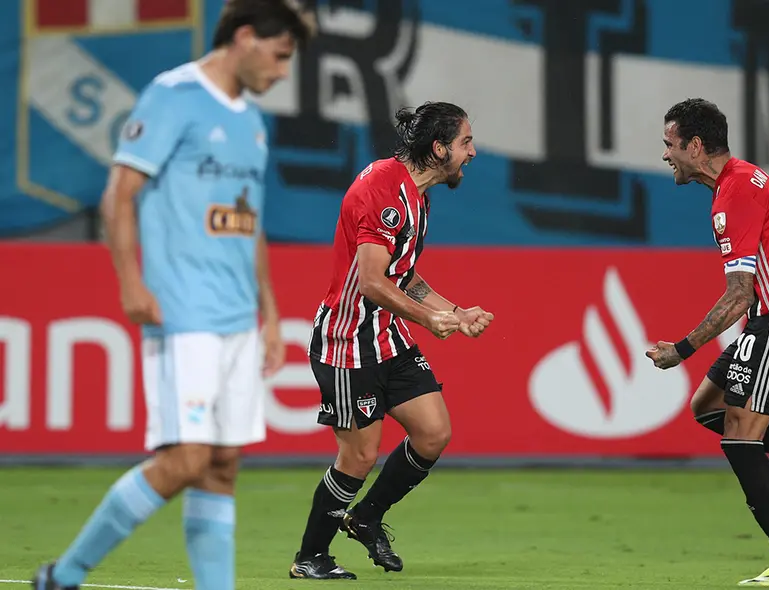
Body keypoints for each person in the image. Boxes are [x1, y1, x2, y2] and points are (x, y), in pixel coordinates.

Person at [32, 2, 314, 589]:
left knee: (222, 466)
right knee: (185, 460)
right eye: (280, 55)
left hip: (237, 316)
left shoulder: (251, 121)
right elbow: (120, 191)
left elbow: (250, 223)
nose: (283, 71)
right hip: (184, 310)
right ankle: (65, 573)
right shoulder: (173, 95)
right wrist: (130, 280)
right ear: (245, 37)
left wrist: (269, 313)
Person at [646, 98, 769, 587]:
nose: (665, 155)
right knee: (707, 407)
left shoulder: (733, 197)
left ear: (696, 146)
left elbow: (738, 295)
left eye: (670, 145)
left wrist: (682, 349)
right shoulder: (743, 177)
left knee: (740, 436)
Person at [288, 101, 493, 580]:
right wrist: (429, 319)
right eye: (465, 142)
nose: (472, 152)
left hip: (386, 336)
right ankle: (310, 557)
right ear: (439, 148)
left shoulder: (415, 194)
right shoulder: (385, 191)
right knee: (359, 455)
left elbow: (403, 274)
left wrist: (454, 312)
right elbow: (371, 282)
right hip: (347, 341)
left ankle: (366, 516)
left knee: (433, 433)